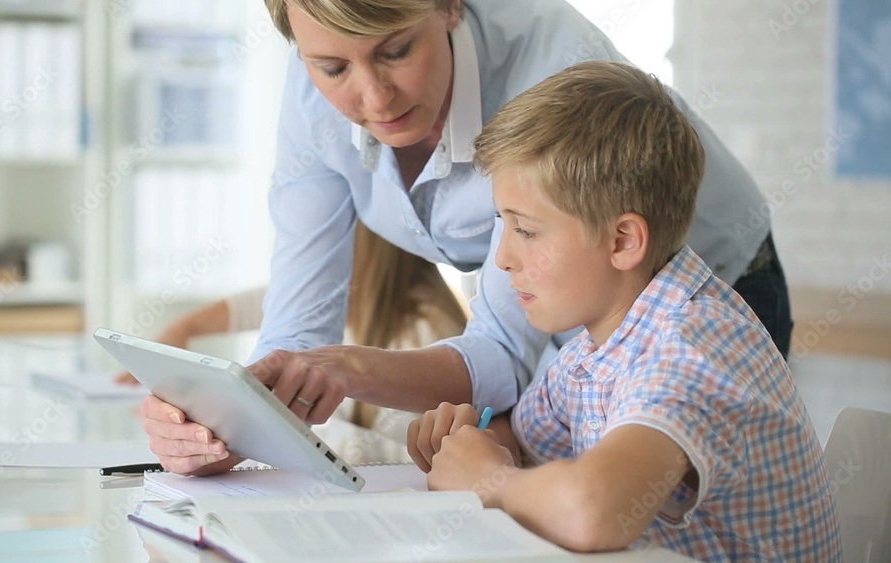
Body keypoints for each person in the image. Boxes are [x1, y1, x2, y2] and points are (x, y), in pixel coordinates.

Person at [140, 0, 793, 476]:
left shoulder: (555, 74)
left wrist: (348, 370)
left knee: (657, 518)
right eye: (332, 67)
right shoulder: (314, 78)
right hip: (569, 312)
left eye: (396, 51)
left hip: (702, 288)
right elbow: (296, 329)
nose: (373, 97)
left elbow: (505, 357)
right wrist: (229, 423)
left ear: (451, 5)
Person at [406, 61, 840, 560]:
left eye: (525, 230)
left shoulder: (694, 345)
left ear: (623, 241)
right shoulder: (592, 352)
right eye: (503, 225)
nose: (503, 258)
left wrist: (490, 478)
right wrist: (466, 438)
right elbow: (522, 441)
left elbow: (592, 512)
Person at [120, 223, 468, 440]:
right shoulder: (351, 304)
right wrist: (184, 328)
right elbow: (276, 301)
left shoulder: (424, 331)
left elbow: (404, 456)